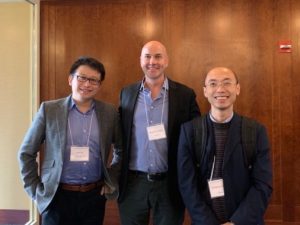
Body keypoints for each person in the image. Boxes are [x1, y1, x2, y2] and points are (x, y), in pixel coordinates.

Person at [18, 56, 122, 225]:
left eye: (94, 80)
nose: (87, 84)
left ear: (99, 85)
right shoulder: (49, 110)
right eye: (82, 78)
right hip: (57, 196)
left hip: (94, 196)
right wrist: (35, 191)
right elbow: (26, 152)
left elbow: (121, 150)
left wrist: (112, 179)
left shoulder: (109, 113)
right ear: (70, 79)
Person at [118, 40, 200, 225]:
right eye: (147, 56)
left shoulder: (185, 95)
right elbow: (120, 137)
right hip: (133, 184)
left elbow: (196, 138)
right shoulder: (127, 93)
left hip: (169, 184)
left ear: (166, 61)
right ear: (140, 60)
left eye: (158, 56)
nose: (152, 62)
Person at [177, 67, 273, 225]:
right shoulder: (190, 131)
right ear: (205, 91)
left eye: (227, 83)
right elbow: (187, 184)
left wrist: (237, 222)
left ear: (238, 88)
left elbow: (263, 184)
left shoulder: (256, 131)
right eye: (213, 84)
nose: (220, 89)